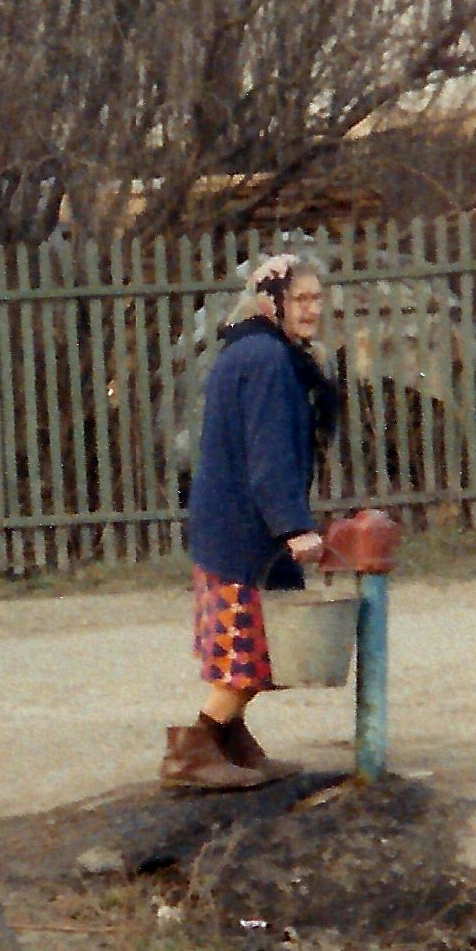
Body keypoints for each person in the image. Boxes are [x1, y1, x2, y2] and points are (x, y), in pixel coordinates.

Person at [165, 252, 342, 791]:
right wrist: (294, 526)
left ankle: (232, 742)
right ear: (273, 302)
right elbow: (269, 454)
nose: (312, 310)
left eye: (317, 299)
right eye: (301, 299)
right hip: (246, 531)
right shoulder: (266, 359)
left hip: (238, 525)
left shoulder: (255, 349)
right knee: (249, 649)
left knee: (256, 649)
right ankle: (192, 750)